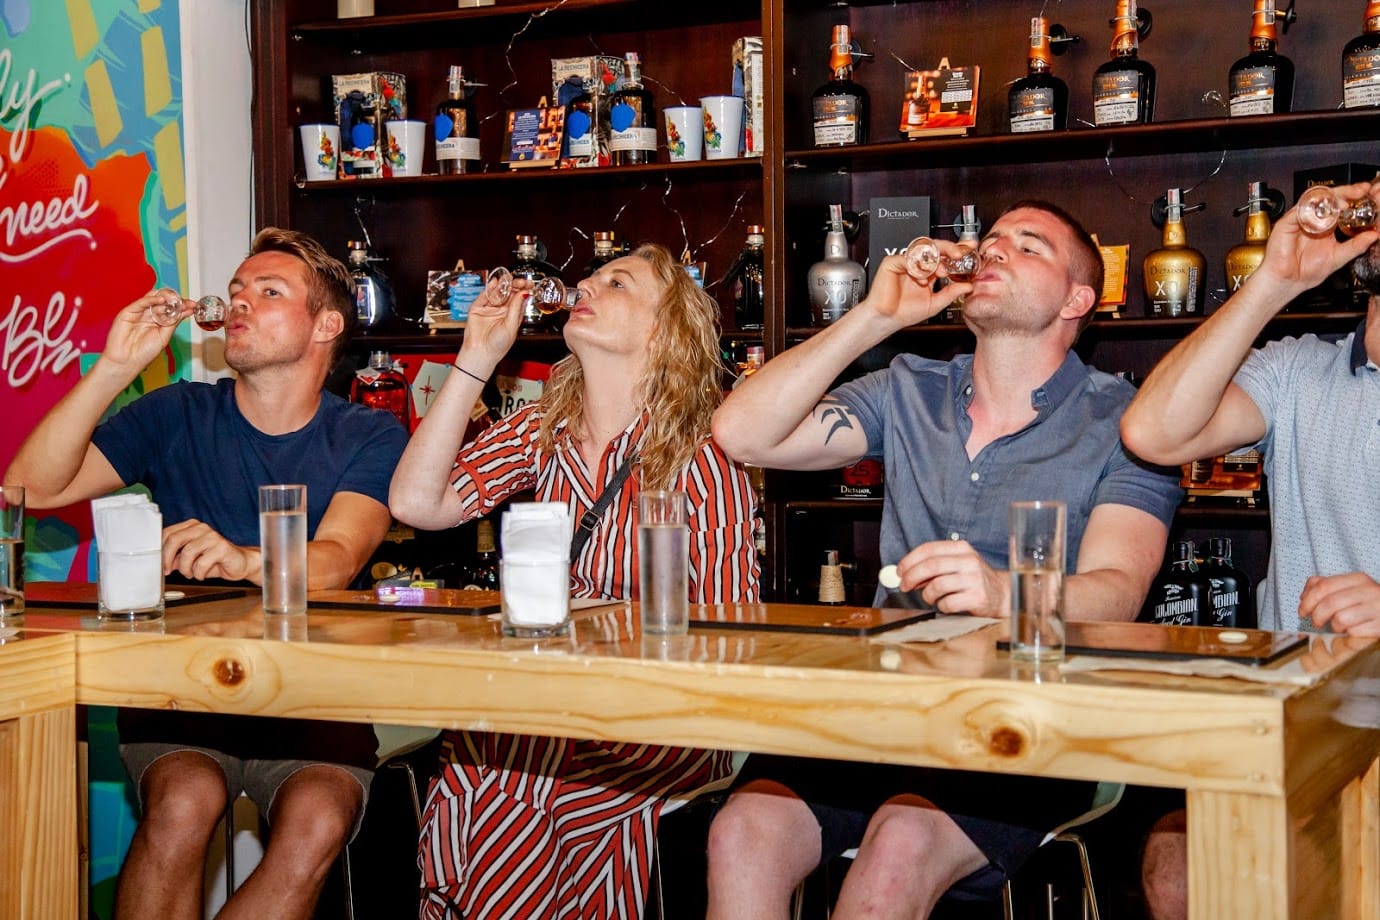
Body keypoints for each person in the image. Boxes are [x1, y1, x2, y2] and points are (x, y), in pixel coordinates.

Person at [705, 200, 1182, 918]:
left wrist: (1001, 592)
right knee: (742, 828)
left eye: (1028, 246)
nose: (992, 251)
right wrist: (876, 317)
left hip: (1033, 716)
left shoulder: (1127, 421)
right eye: (989, 240)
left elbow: (1119, 593)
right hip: (888, 707)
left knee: (898, 840)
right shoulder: (909, 386)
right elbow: (742, 433)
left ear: (1078, 298)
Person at [5, 228, 408, 920]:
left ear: (327, 325)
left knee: (318, 818)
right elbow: (26, 488)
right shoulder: (179, 411)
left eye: (269, 291)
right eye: (238, 290)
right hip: (183, 693)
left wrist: (247, 559)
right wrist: (113, 366)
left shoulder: (369, 435)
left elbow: (339, 557)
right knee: (185, 801)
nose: (241, 302)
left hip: (314, 698)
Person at [388, 242, 759, 919]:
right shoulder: (541, 429)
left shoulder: (707, 453)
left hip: (656, 720)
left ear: (665, 329)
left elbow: (733, 633)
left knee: (517, 785)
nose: (587, 284)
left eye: (617, 283)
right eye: (589, 276)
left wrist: (604, 617)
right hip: (540, 710)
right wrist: (476, 358)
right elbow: (416, 503)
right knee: (482, 762)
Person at [1120, 182, 1380, 920]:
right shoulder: (1299, 368)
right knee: (1176, 863)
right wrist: (1274, 283)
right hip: (1299, 723)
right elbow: (1153, 433)